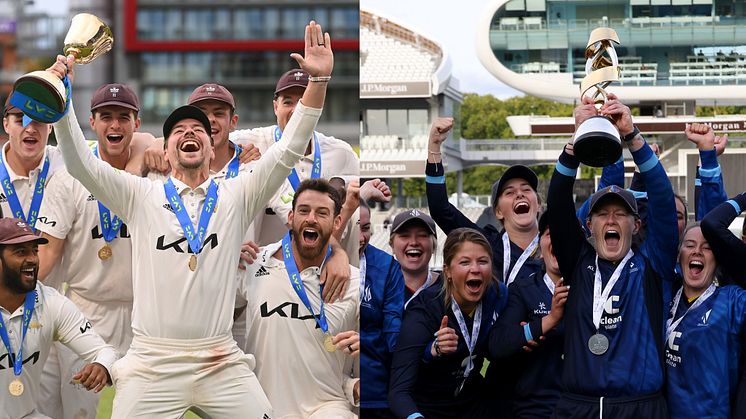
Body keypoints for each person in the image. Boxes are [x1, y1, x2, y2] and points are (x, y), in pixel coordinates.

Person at [46, 20, 333, 418]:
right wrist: (60, 100)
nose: (189, 132)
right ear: (167, 147)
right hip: (152, 362)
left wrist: (319, 81)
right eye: (178, 129)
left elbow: (289, 149)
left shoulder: (237, 193)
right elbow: (79, 164)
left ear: (212, 141)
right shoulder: (141, 194)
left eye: (197, 128)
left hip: (220, 358)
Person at [547, 95, 678, 418]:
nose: (610, 221)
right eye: (602, 214)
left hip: (641, 406)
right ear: (589, 225)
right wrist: (577, 138)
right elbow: (559, 202)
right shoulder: (578, 263)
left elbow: (662, 197)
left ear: (636, 225)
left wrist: (632, 136)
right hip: (579, 407)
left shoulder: (652, 263)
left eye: (620, 214)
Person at [33, 83, 148, 419]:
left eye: (123, 117)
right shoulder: (69, 176)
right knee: (78, 411)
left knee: (145, 408)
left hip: (145, 312)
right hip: (87, 308)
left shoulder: (154, 172)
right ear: (92, 122)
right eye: (106, 117)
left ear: (136, 124)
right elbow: (50, 251)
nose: (115, 125)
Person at [237, 178, 359, 418]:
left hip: (327, 407)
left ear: (336, 223)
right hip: (262, 408)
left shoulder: (353, 280)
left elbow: (383, 346)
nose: (311, 218)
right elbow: (211, 312)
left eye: (321, 213)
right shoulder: (252, 264)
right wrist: (224, 259)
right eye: (304, 211)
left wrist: (362, 342)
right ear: (291, 217)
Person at [228, 68, 360, 251]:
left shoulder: (341, 153)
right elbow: (208, 148)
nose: (297, 111)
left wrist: (341, 184)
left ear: (317, 107)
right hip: (263, 271)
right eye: (288, 102)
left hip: (323, 267)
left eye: (304, 103)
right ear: (276, 107)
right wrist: (232, 157)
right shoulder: (249, 142)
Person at [0, 218, 117, 419]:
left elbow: (105, 352)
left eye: (34, 251)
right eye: (21, 252)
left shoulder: (51, 302)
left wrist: (102, 366)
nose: (33, 259)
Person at [388, 228, 508, 419]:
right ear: (448, 271)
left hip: (477, 407)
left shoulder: (498, 295)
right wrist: (433, 350)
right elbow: (398, 393)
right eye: (465, 262)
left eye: (483, 261)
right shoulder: (425, 309)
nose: (475, 269)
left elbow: (496, 353)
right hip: (430, 410)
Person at [488, 211, 568, 418]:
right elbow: (498, 345)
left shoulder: (593, 290)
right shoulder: (522, 289)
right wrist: (545, 323)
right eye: (550, 233)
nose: (559, 238)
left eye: (565, 233)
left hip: (582, 406)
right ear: (540, 248)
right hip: (534, 408)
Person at [665, 222, 746, 418]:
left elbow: (715, 220)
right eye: (690, 245)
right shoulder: (663, 297)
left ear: (717, 260)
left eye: (707, 247)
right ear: (679, 255)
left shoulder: (733, 301)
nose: (697, 252)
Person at [359, 198, 404, 418]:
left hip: (373, 394)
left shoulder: (386, 267)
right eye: (354, 227)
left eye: (366, 228)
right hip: (323, 388)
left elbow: (392, 333)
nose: (361, 237)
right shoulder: (319, 259)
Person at [389, 209, 439, 308]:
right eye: (405, 236)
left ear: (433, 246)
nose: (414, 242)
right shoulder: (378, 289)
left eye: (422, 235)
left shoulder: (450, 288)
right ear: (392, 245)